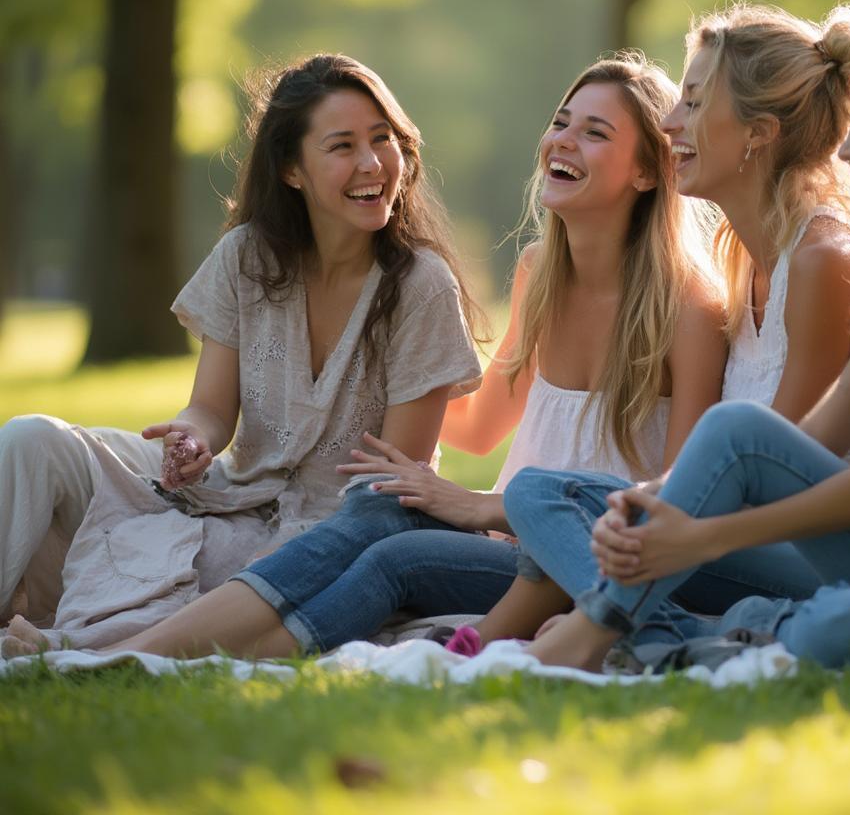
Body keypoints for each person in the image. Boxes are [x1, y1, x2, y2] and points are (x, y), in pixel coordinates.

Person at [58, 52, 728, 660]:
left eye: (595, 132)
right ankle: (160, 653)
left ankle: (142, 655)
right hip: (511, 546)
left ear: (649, 169)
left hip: (582, 555)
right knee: (386, 519)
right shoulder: (540, 274)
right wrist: (376, 365)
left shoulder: (689, 309)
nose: (563, 139)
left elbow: (682, 494)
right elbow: (477, 424)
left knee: (390, 540)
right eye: (562, 121)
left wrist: (481, 505)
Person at [516, 22, 850, 671]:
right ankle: (617, 620)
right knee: (725, 432)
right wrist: (659, 507)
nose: (843, 156)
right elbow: (801, 444)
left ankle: (634, 622)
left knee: (829, 629)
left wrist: (701, 538)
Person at [1, 54, 482, 655]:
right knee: (30, 440)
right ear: (291, 170)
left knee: (198, 565)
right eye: (342, 146)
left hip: (336, 530)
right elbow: (210, 410)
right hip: (226, 491)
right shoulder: (245, 257)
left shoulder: (420, 284)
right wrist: (192, 439)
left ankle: (83, 644)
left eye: (383, 139)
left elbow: (395, 476)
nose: (372, 163)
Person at [502, 3, 850, 634]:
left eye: (692, 102)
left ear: (758, 132)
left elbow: (773, 470)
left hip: (829, 553)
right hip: (740, 539)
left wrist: (662, 524)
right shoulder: (740, 256)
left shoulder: (824, 260)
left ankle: (627, 634)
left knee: (562, 503)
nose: (669, 121)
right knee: (541, 495)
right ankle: (633, 626)